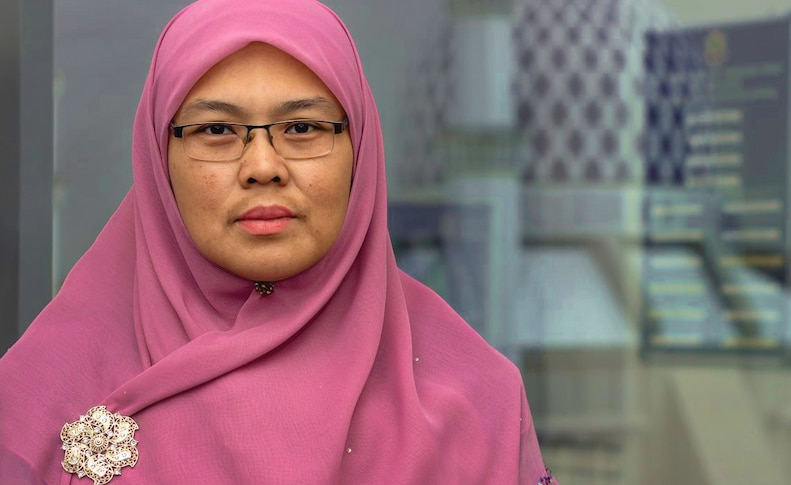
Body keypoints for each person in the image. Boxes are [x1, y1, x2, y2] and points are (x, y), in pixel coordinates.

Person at [0, 0, 556, 483]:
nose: (263, 166)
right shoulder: (39, 402)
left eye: (303, 128)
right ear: (157, 161)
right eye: (216, 130)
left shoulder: (476, 403)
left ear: (360, 150)